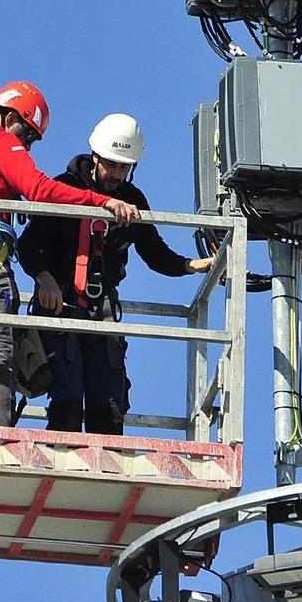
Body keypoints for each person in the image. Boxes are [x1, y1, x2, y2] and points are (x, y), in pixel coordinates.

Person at [0, 82, 140, 427]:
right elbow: (39, 189)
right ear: (10, 118)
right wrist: (102, 202)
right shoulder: (2, 141)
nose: (28, 146)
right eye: (29, 135)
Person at [17, 113, 214, 435]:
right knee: (67, 397)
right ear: (95, 157)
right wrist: (44, 278)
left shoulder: (132, 201)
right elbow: (28, 246)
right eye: (111, 164)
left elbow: (153, 251)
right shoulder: (63, 189)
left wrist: (189, 265)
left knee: (108, 402)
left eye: (124, 167)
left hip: (101, 312)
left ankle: (107, 465)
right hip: (60, 307)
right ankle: (63, 463)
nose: (117, 173)